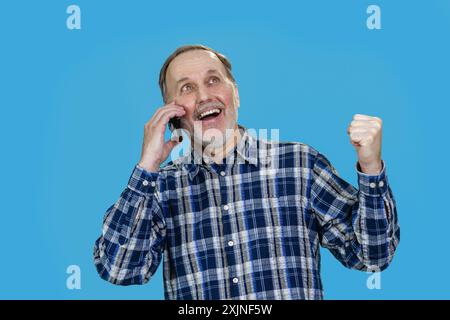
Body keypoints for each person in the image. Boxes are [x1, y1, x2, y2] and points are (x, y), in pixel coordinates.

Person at [93, 44, 400, 299]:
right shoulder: (160, 190)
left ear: (234, 94)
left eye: (213, 80)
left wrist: (371, 168)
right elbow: (119, 269)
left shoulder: (300, 165)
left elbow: (373, 256)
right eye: (187, 88)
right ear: (172, 115)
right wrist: (146, 168)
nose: (203, 96)